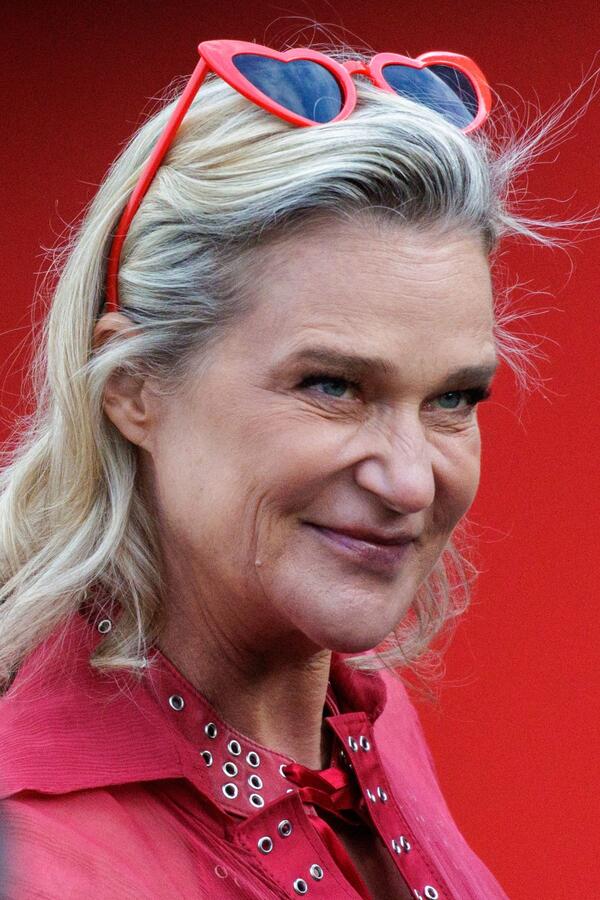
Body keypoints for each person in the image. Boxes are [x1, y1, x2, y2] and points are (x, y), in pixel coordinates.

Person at [0, 39, 552, 899]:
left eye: (452, 398)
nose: (411, 482)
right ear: (134, 387)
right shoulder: (37, 849)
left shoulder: (364, 722)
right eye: (332, 386)